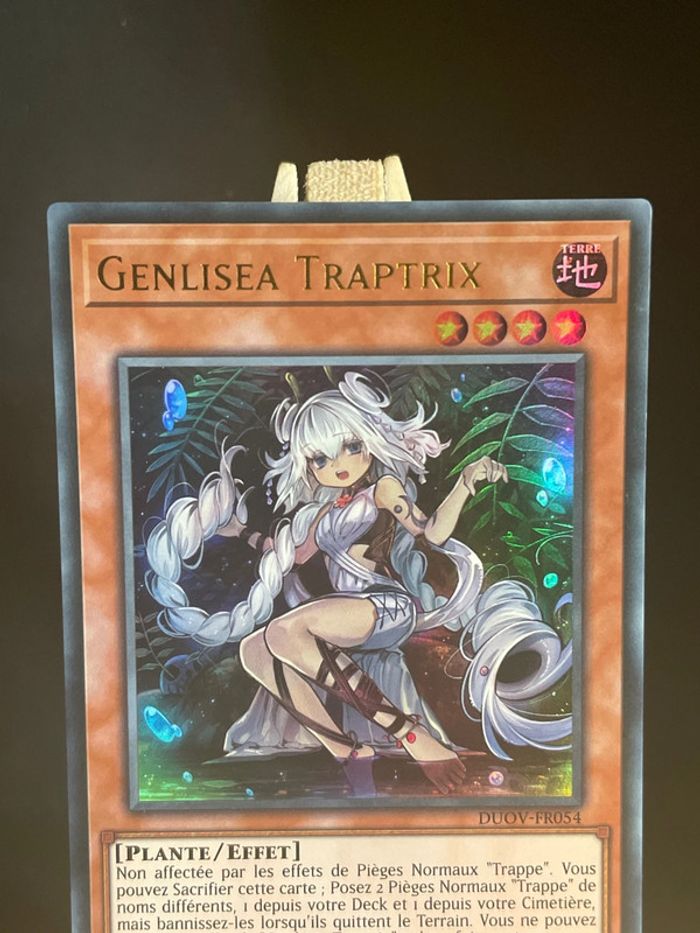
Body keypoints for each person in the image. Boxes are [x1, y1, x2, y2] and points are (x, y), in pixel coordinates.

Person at [145, 372, 571, 795]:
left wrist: (463, 484)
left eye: (350, 447)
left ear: (368, 441)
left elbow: (430, 533)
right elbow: (290, 555)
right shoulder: (323, 510)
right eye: (320, 459)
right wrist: (241, 532)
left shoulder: (383, 489)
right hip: (346, 611)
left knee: (282, 632)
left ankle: (410, 734)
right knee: (253, 649)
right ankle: (346, 750)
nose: (338, 465)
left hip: (386, 608)